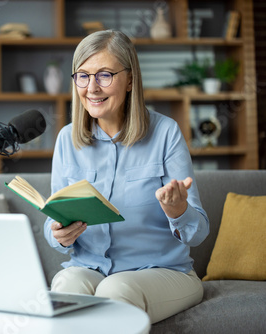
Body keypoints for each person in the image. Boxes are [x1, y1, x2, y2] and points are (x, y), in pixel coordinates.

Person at [43, 30, 210, 324]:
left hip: (164, 272)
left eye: (104, 75)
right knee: (65, 286)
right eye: (83, 75)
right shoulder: (66, 140)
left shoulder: (165, 133)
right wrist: (57, 232)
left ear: (130, 80)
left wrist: (178, 210)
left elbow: (198, 232)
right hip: (90, 268)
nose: (92, 88)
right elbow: (53, 219)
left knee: (116, 290)